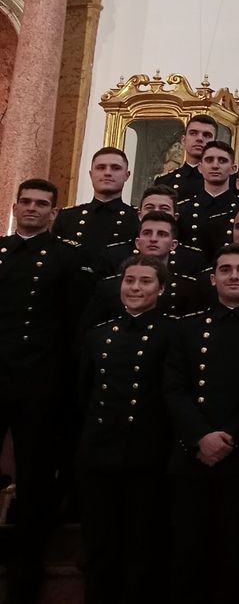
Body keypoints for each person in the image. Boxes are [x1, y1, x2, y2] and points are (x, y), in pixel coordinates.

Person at [165, 245, 239, 604]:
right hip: (191, 455)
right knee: (186, 551)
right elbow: (173, 389)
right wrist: (201, 437)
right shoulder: (185, 327)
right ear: (213, 277)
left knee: (237, 554)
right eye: (227, 269)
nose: (235, 275)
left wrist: (229, 437)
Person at [1, 178, 91, 602]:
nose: (33, 209)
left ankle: (24, 579)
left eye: (43, 204)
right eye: (27, 202)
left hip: (40, 383)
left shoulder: (66, 259)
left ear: (55, 212)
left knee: (35, 483)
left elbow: (75, 327)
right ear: (15, 207)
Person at [77, 255, 177, 604]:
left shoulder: (173, 333)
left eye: (145, 281)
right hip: (100, 453)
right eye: (129, 280)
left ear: (161, 289)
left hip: (147, 455)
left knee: (142, 545)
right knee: (99, 544)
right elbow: (84, 393)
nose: (135, 288)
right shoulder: (98, 334)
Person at [55, 146, 136, 250]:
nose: (107, 173)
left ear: (127, 175)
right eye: (101, 168)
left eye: (116, 168)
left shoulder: (136, 219)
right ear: (91, 174)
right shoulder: (67, 217)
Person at [154, 114, 219, 197]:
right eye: (193, 133)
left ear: (215, 143)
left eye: (206, 135)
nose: (200, 138)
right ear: (183, 140)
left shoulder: (225, 183)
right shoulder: (164, 183)